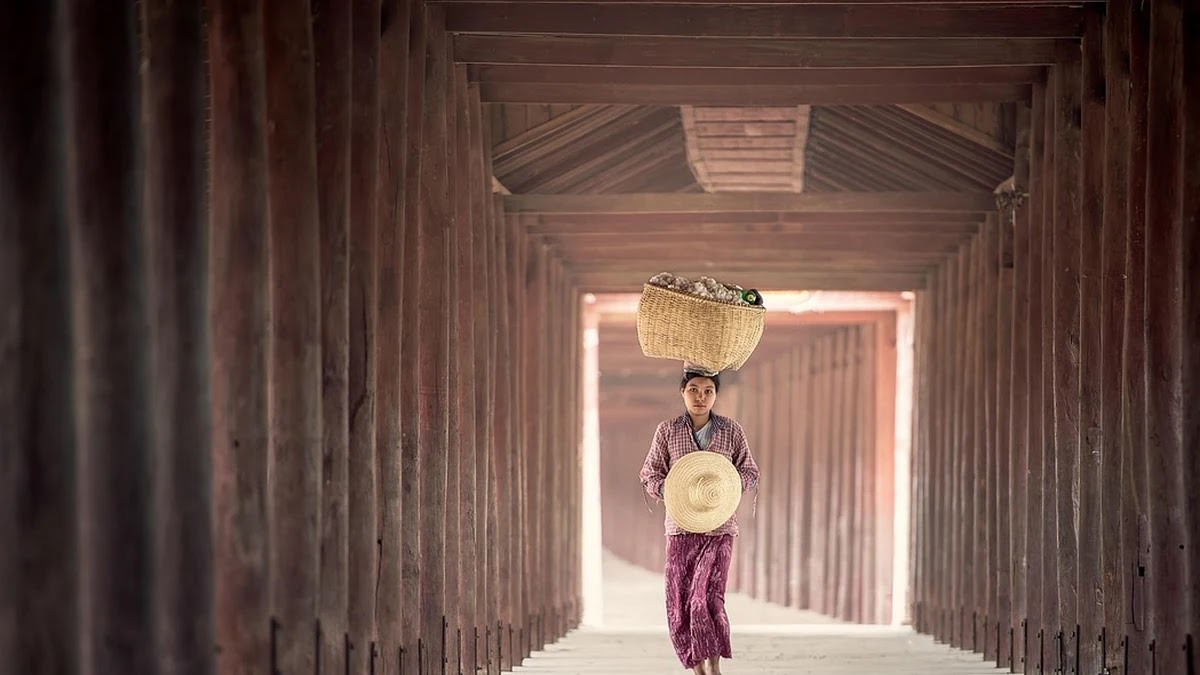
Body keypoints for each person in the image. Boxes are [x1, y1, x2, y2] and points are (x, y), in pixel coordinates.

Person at [639, 370, 760, 675]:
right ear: (682, 392)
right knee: (680, 599)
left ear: (716, 396)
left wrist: (727, 489)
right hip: (681, 529)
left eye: (708, 391)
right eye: (693, 389)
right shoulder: (667, 431)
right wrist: (673, 490)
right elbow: (649, 474)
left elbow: (749, 470)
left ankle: (715, 666)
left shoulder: (732, 431)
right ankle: (697, 667)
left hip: (720, 529)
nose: (700, 397)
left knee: (708, 597)